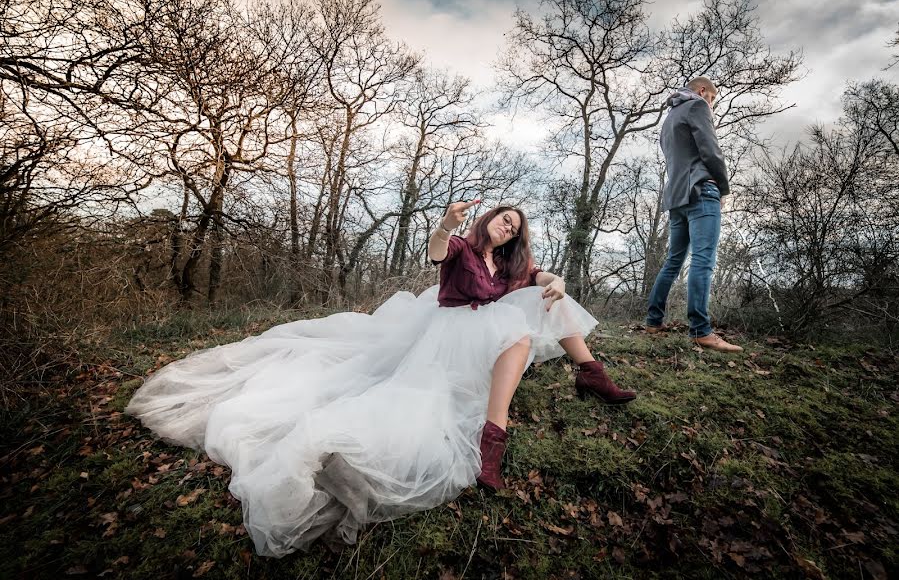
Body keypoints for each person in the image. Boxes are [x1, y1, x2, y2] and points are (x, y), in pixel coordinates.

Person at [125, 201, 635, 558]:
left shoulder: (508, 264)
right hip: (449, 331)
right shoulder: (459, 246)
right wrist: (445, 224)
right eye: (503, 220)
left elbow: (539, 278)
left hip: (487, 333)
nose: (506, 228)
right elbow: (436, 252)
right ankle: (497, 435)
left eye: (514, 227)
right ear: (487, 221)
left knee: (547, 305)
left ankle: (590, 375)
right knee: (515, 335)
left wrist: (555, 280)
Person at [644, 76, 743, 353]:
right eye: (712, 99)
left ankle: (653, 321)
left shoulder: (669, 119)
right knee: (703, 260)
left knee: (673, 261)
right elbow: (710, 150)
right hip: (701, 191)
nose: (711, 105)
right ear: (702, 91)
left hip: (676, 197)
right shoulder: (698, 107)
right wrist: (722, 188)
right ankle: (701, 330)